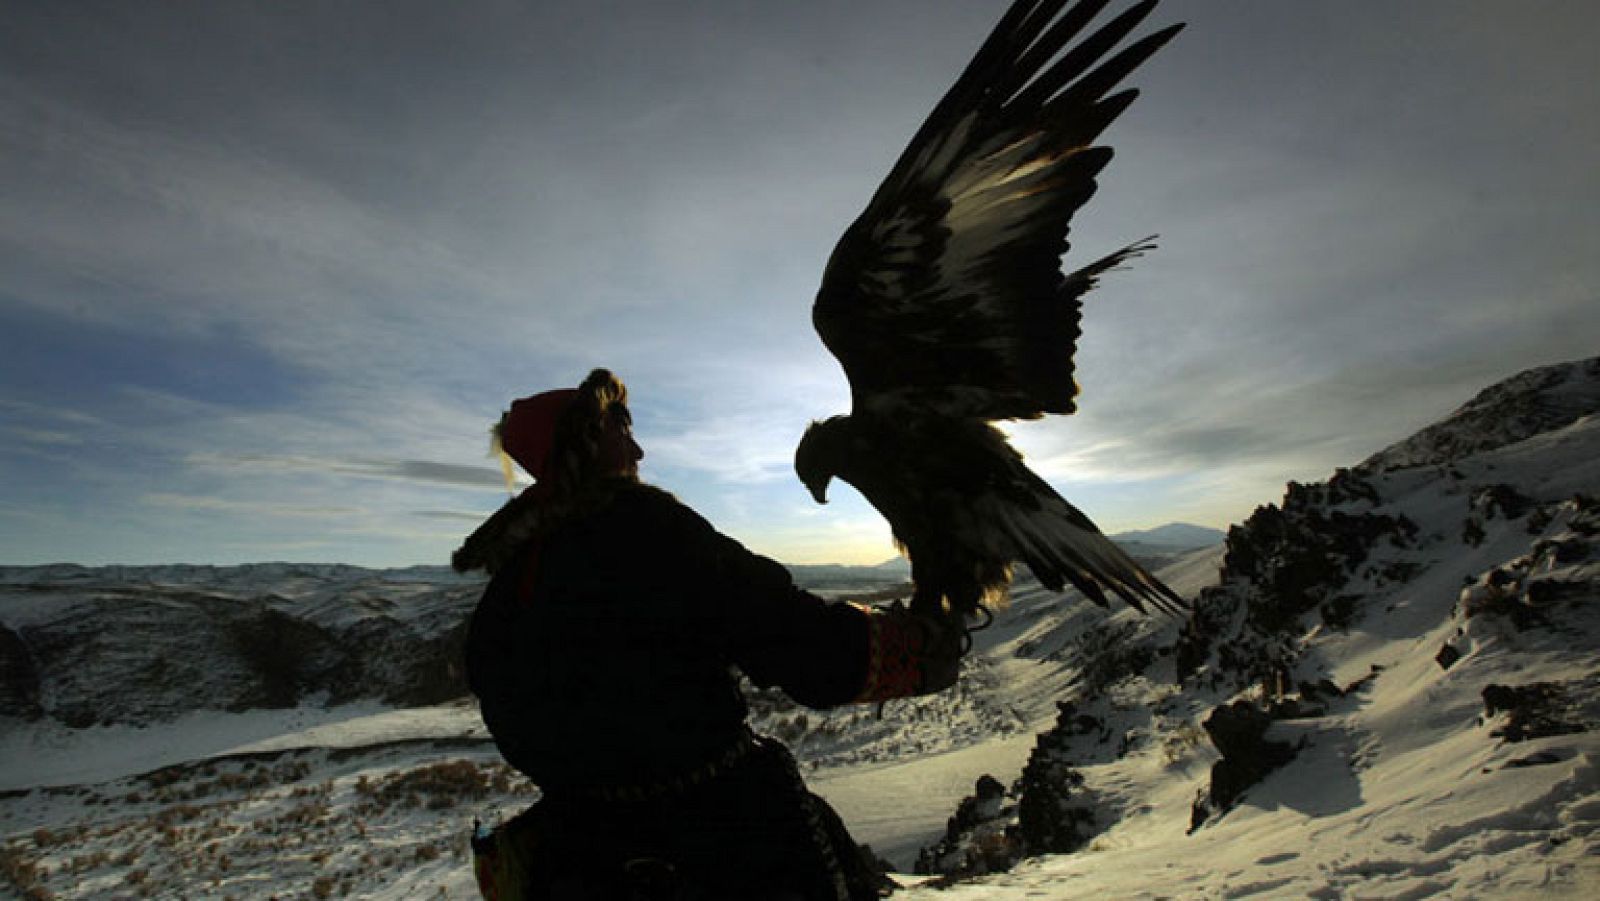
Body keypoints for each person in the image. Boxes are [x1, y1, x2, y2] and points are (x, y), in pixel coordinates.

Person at [455, 369, 964, 901]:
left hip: (580, 861)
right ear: (583, 444)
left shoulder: (510, 584)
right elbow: (788, 635)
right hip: (725, 849)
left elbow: (512, 720)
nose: (639, 449)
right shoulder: (646, 531)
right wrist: (912, 651)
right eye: (618, 427)